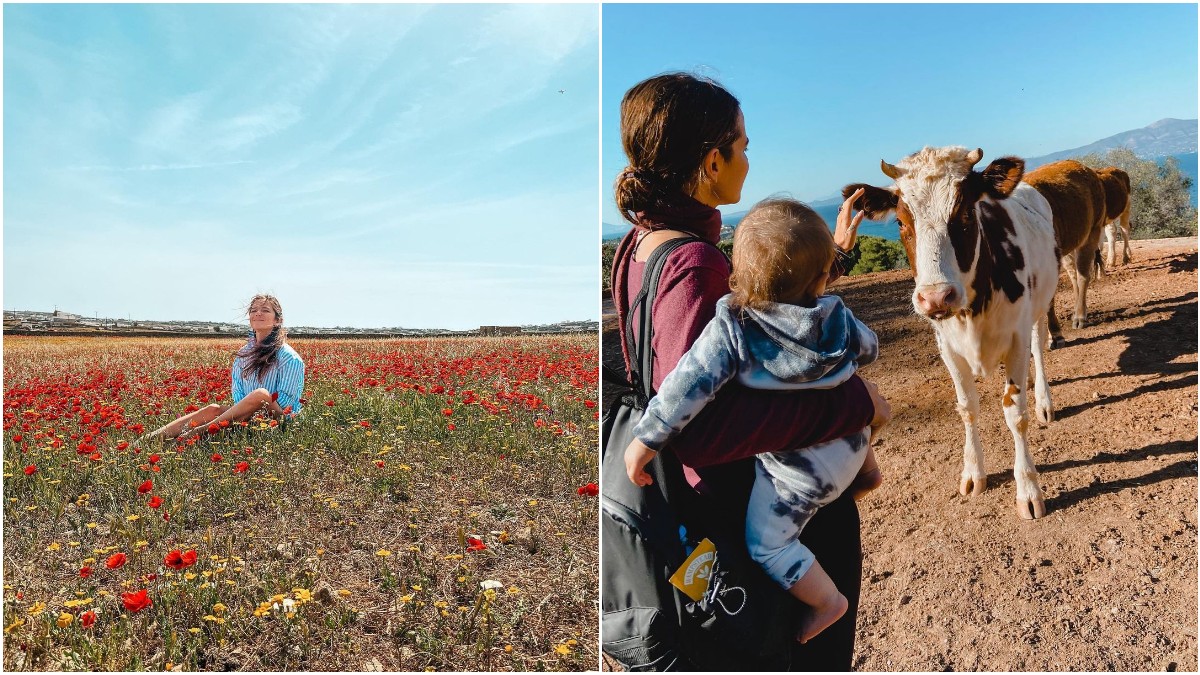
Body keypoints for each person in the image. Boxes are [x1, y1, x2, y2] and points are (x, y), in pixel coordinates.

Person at [609, 72, 891, 669]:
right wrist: (855, 406)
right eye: (742, 145)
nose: (748, 157)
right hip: (746, 510)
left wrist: (831, 254)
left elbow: (771, 311)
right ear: (713, 161)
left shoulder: (642, 244)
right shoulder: (694, 265)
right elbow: (700, 427)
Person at [624, 197, 885, 644]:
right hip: (851, 444)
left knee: (769, 545)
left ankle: (826, 602)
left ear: (738, 276)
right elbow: (869, 348)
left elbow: (688, 384)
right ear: (822, 278)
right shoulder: (837, 314)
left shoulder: (733, 324)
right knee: (859, 435)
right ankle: (868, 471)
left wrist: (646, 438)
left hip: (798, 475)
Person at [146, 294, 305, 441]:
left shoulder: (289, 357)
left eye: (265, 310)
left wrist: (252, 411)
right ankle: (149, 440)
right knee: (213, 409)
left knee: (261, 395)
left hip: (279, 420)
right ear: (250, 318)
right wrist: (245, 413)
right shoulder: (244, 354)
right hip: (247, 416)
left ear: (278, 320)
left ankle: (198, 432)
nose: (258, 313)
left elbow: (286, 403)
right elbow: (238, 395)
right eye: (253, 310)